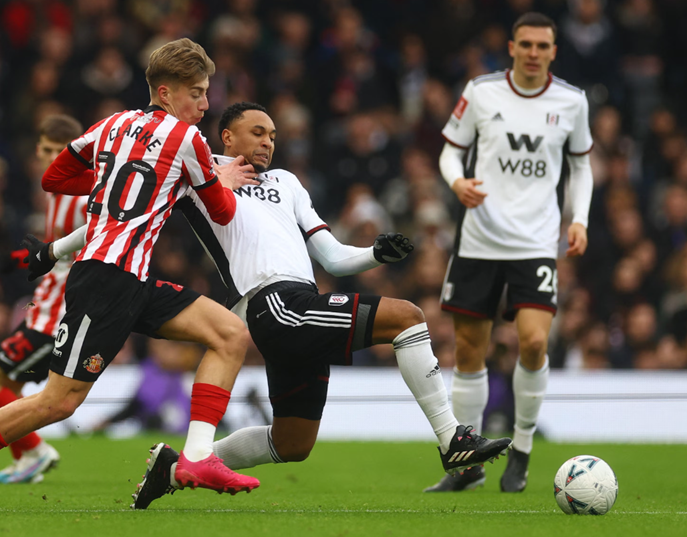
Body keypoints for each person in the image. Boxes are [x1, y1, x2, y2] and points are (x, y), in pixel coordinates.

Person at [33, 102, 512, 509]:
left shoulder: (287, 182)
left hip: (302, 300)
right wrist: (53, 251)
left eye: (273, 135)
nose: (268, 142)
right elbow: (122, 213)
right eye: (257, 132)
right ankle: (452, 440)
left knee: (293, 444)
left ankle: (175, 467)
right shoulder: (196, 164)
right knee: (407, 317)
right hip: (269, 303)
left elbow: (331, 257)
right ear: (226, 135)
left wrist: (373, 254)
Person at [0, 38, 261, 514]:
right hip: (103, 282)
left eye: (206, 93)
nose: (204, 104)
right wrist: (218, 181)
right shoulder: (188, 141)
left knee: (228, 333)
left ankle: (197, 457)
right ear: (165, 93)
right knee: (57, 402)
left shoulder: (113, 125)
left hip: (130, 279)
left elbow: (54, 178)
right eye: (196, 93)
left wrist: (111, 178)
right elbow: (221, 213)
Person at [428, 12, 594, 493]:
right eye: (526, 45)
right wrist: (457, 182)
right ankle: (468, 463)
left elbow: (581, 167)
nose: (534, 53)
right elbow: (449, 150)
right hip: (479, 239)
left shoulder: (572, 102)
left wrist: (578, 219)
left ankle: (521, 448)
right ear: (512, 46)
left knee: (535, 342)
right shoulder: (481, 91)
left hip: (536, 242)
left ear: (553, 51)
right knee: (470, 352)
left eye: (543, 46)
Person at [0, 114, 85, 485]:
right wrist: (18, 259)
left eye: (60, 151)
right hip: (43, 309)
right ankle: (25, 460)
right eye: (47, 150)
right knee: (10, 390)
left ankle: (35, 450)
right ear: (37, 149)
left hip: (56, 317)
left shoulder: (82, 197)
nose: (52, 157)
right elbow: (55, 253)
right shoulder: (54, 191)